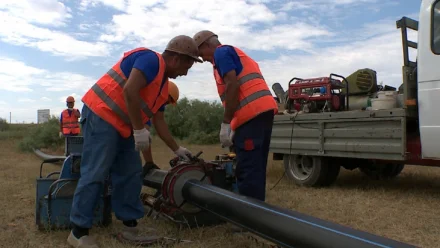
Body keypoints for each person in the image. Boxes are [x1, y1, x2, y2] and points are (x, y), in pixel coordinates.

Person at [67, 35, 202, 248]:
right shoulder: (150, 60)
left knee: (130, 173)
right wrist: (139, 130)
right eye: (188, 65)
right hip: (102, 114)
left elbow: (159, 122)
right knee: (95, 172)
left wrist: (178, 149)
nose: (185, 72)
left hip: (124, 126)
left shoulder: (163, 87)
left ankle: (130, 227)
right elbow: (129, 90)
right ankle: (78, 232)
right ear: (176, 58)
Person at [192, 30, 278, 203]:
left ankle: (249, 216)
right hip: (262, 113)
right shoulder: (235, 53)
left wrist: (226, 123)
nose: (204, 60)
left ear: (208, 45)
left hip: (251, 116)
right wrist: (234, 125)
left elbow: (233, 84)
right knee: (257, 165)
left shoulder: (221, 53)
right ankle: (258, 211)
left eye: (202, 54)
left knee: (247, 167)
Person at [141, 80, 180, 171]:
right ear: (166, 93)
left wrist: (177, 149)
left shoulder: (158, 104)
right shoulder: (148, 98)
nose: (166, 104)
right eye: (168, 102)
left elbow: (159, 122)